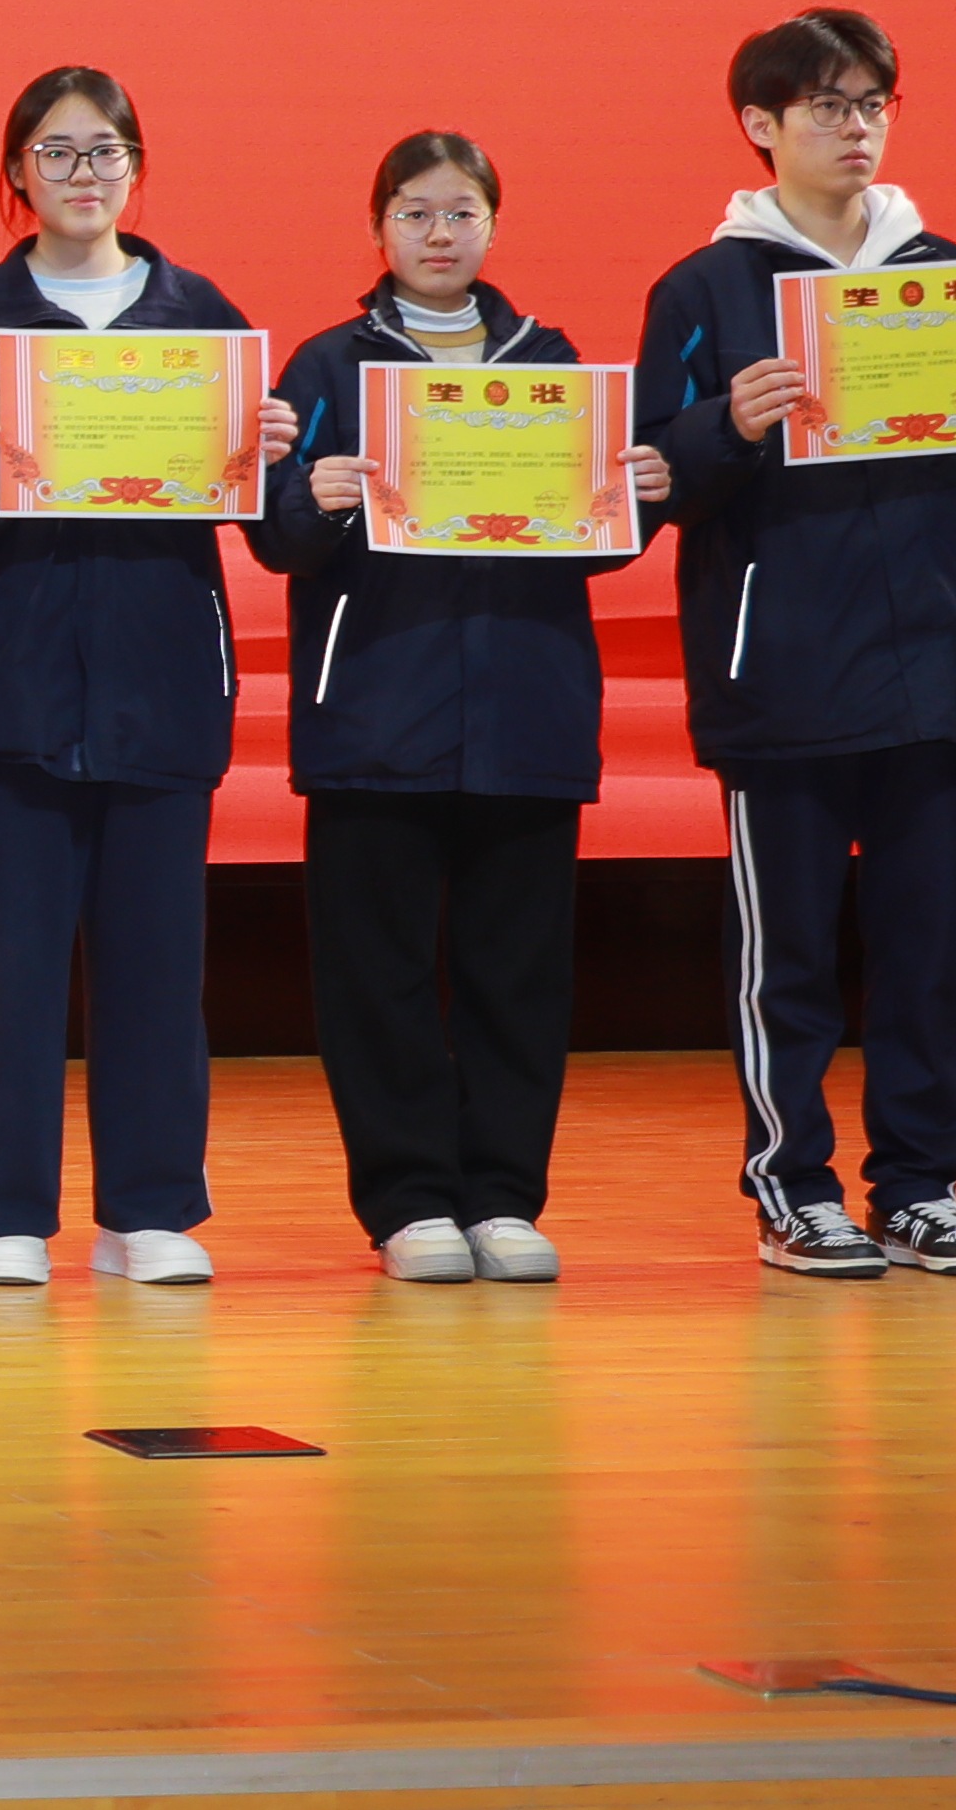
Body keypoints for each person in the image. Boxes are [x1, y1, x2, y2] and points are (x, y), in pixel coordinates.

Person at [642, 8, 956, 1281]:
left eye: (872, 105)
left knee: (924, 951)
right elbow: (645, 478)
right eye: (827, 106)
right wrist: (724, 426)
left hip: (932, 666)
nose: (855, 128)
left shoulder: (950, 278)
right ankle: (792, 1190)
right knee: (784, 958)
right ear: (759, 123)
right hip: (780, 676)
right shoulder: (704, 287)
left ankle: (917, 1188)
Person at [248, 132, 671, 1286]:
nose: (438, 235)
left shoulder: (552, 363)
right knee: (374, 976)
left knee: (515, 973)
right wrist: (312, 495)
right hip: (372, 720)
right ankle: (406, 1204)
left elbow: (597, 544)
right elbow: (275, 535)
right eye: (414, 213)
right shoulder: (327, 365)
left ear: (492, 225)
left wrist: (636, 494)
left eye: (460, 214)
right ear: (376, 227)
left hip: (526, 715)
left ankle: (500, 1198)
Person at [0, 68, 294, 1288]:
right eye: (56, 152)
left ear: (135, 165)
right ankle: (6, 1213)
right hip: (11, 685)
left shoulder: (199, 313)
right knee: (8, 967)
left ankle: (148, 1211)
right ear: (15, 173)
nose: (82, 174)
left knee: (156, 964)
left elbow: (263, 518)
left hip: (161, 678)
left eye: (105, 150)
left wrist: (269, 456)